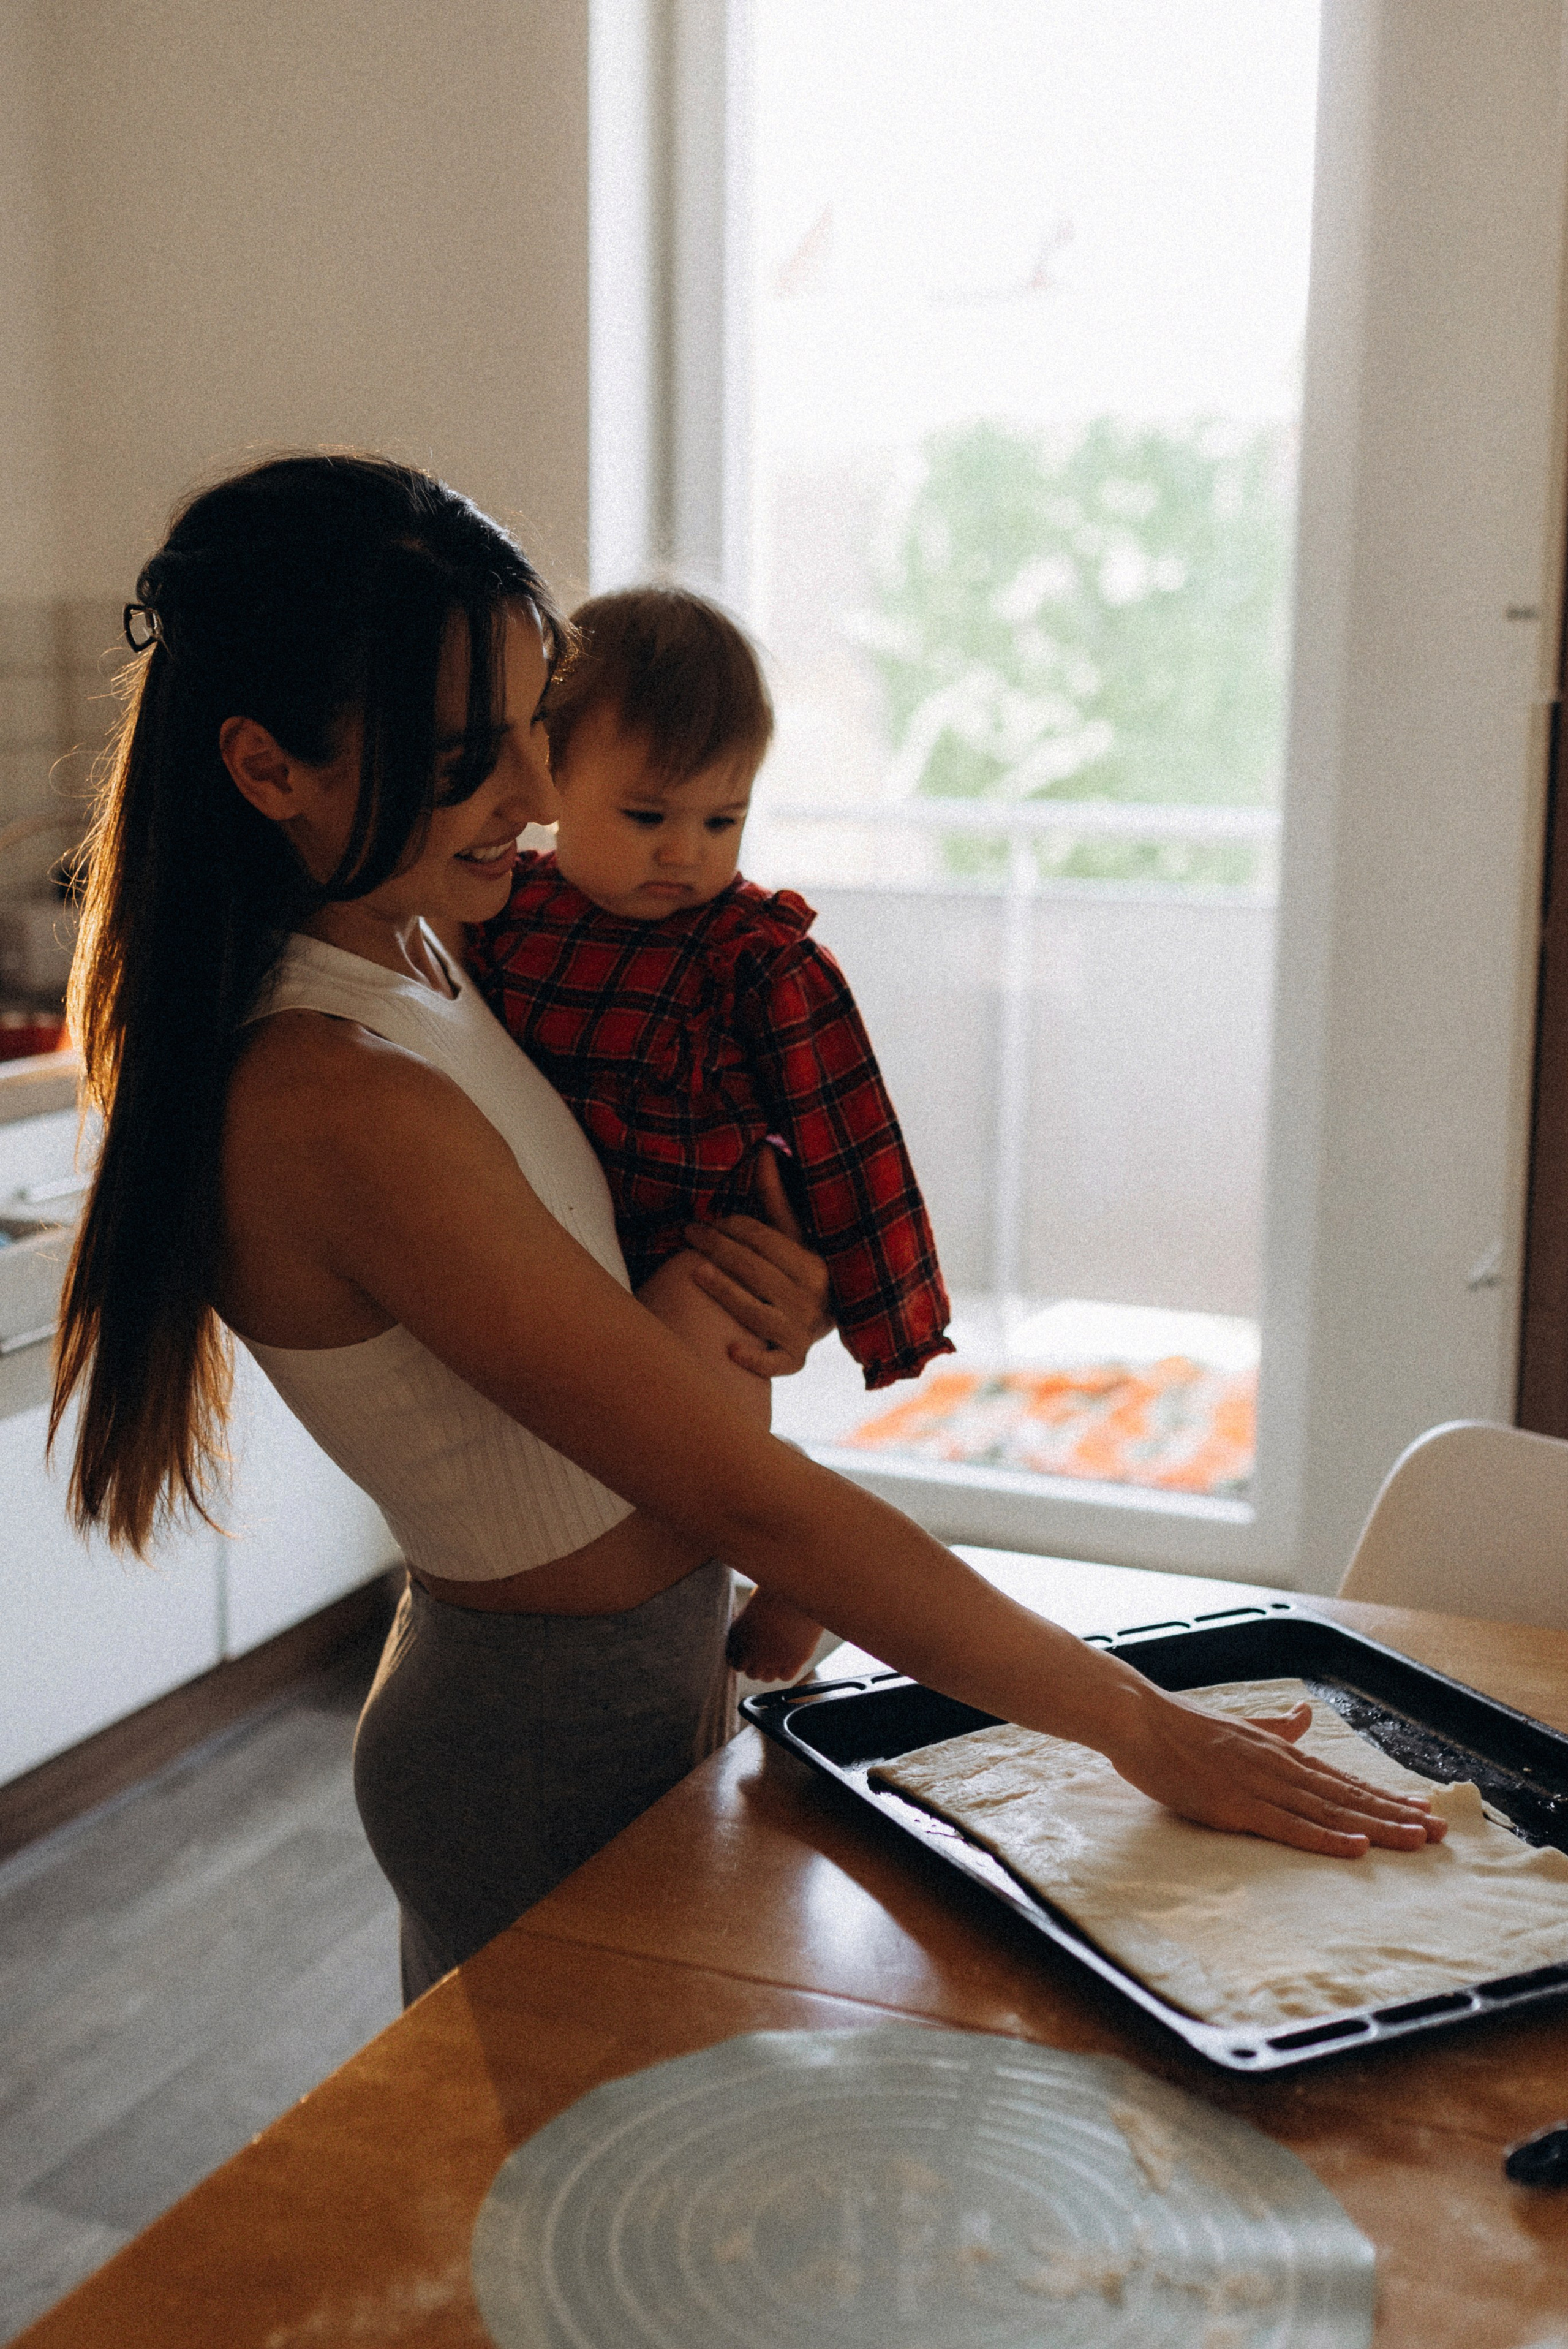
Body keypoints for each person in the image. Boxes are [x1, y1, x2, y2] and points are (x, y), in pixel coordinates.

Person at [51, 453, 1442, 2008]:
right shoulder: (328, 1092)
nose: (529, 791)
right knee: (558, 2223)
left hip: (641, 1667)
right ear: (267, 768)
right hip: (534, 1731)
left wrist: (716, 1316)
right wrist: (1133, 1722)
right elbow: (742, 1499)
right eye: (465, 756)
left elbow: (588, 1360)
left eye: (529, 724)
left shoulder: (434, 961)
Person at [472, 585, 954, 1685]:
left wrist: (879, 1309)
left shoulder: (753, 953)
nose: (685, 852)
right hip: (558, 1253)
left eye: (721, 820)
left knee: (714, 1432)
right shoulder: (506, 912)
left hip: (701, 1247)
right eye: (647, 817)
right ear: (550, 776)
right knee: (634, 1481)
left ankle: (801, 1569)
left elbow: (850, 1133)